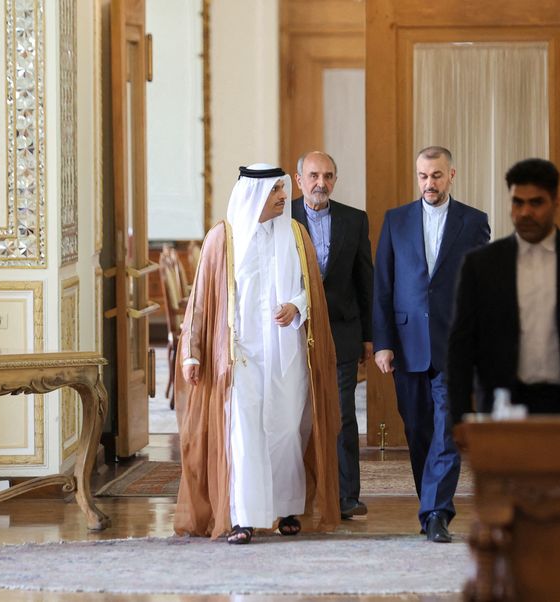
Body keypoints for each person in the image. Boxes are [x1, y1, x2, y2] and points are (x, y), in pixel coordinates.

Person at [173, 164, 341, 544]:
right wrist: (192, 352)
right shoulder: (224, 238)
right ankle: (242, 517)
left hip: (287, 354)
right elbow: (201, 298)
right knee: (244, 434)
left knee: (284, 431)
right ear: (254, 196)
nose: (284, 198)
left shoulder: (296, 235)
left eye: (283, 191)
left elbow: (309, 289)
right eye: (276, 192)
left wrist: (297, 306)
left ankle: (285, 510)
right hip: (238, 356)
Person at [373, 146, 490, 543]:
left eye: (437, 176)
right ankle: (430, 505)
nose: (429, 184)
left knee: (446, 431)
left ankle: (438, 511)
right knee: (419, 429)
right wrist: (383, 344)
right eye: (423, 176)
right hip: (407, 345)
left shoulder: (474, 222)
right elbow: (383, 287)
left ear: (451, 175)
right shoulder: (396, 221)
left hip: (454, 345)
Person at [448, 158, 560, 423]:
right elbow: (461, 345)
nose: (525, 212)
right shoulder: (481, 265)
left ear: (555, 202)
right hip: (504, 405)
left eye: (536, 202)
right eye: (518, 202)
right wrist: (459, 418)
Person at [291, 151, 373, 520]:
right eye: (313, 175)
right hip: (292, 333)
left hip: (342, 331)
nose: (320, 183)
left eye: (327, 176)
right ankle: (296, 496)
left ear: (335, 181)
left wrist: (370, 337)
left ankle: (346, 497)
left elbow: (365, 282)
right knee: (294, 414)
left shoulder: (354, 220)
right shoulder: (281, 217)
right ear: (299, 180)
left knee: (341, 415)